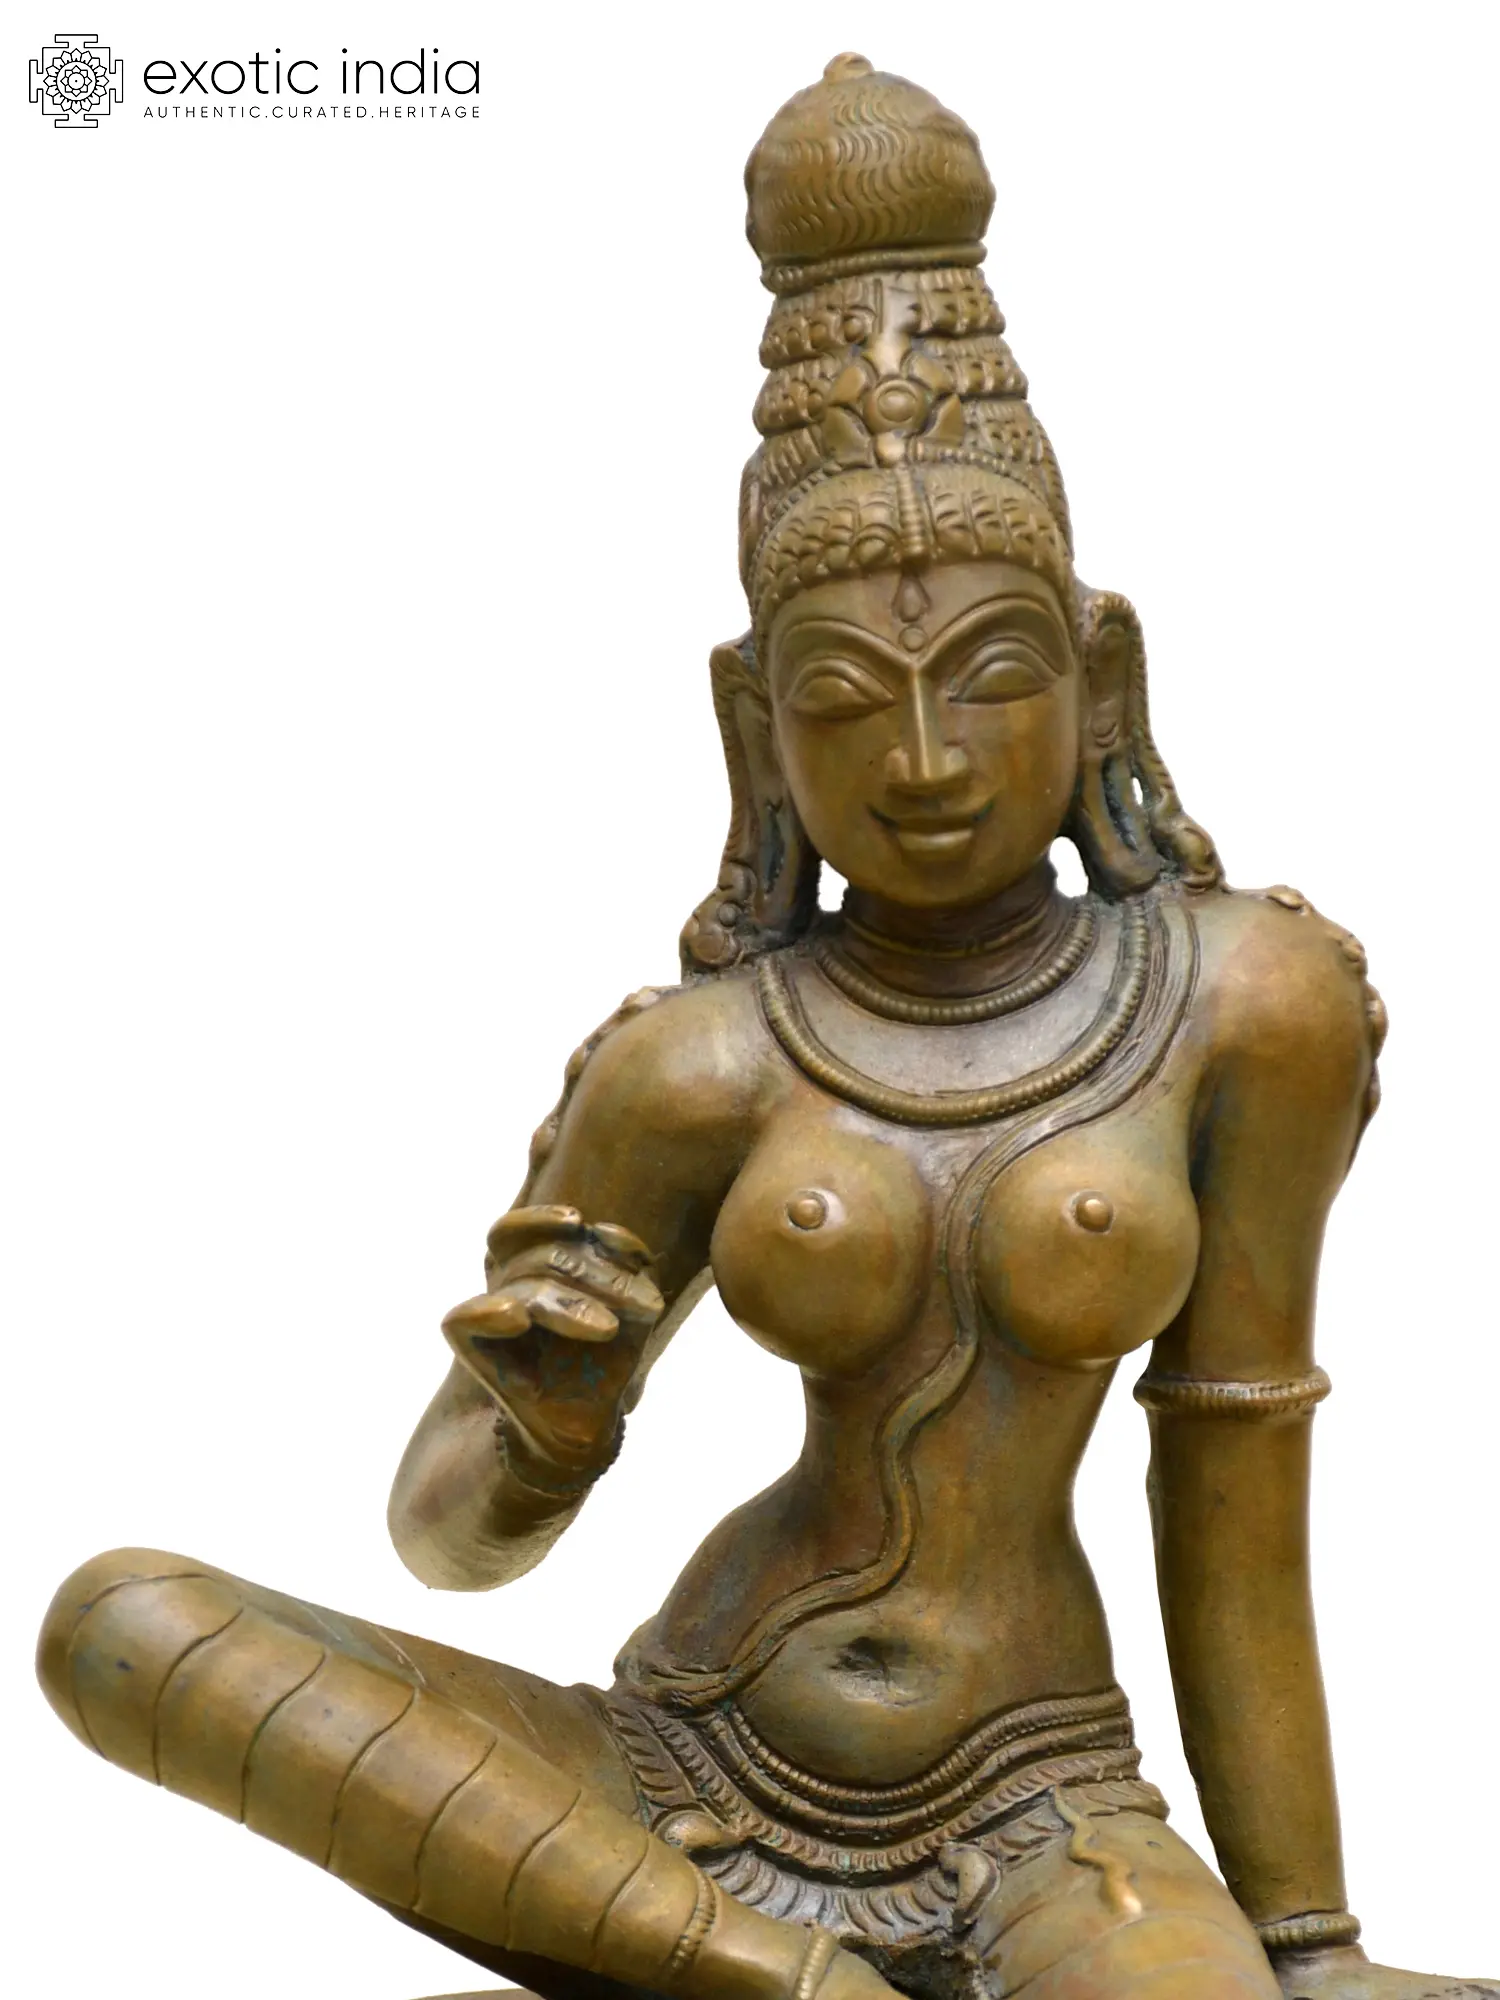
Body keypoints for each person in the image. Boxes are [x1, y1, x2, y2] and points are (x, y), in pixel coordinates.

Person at [36, 55, 1494, 2000]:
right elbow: (446, 1543)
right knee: (126, 1621)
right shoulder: (700, 1065)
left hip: (1040, 1792)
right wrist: (544, 1429)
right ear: (754, 728)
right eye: (843, 698)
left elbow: (1237, 1493)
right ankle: (773, 1974)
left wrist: (1308, 1943)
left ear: (1101, 676)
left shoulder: (1244, 1003)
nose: (925, 760)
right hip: (675, 1762)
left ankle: (736, 1980)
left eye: (990, 677)